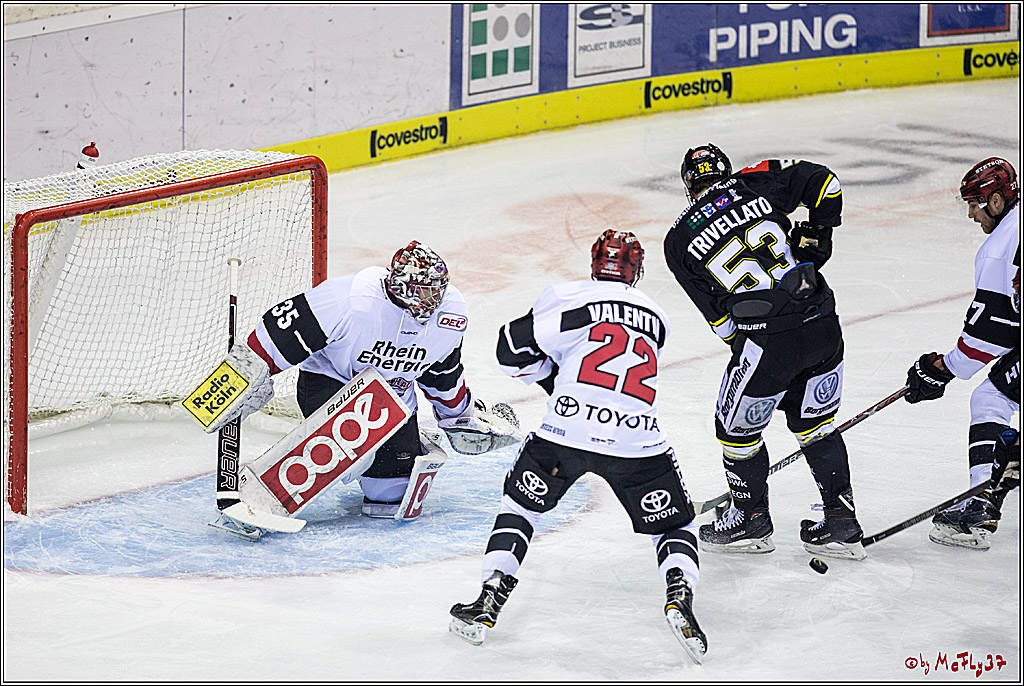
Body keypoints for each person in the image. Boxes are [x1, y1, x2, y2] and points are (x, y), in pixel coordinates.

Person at [448, 229, 707, 664]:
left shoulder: (564, 295)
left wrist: (556, 382)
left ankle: (488, 601)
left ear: (594, 263)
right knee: (674, 526)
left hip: (564, 433)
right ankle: (679, 597)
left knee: (520, 509)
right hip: (637, 441)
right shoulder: (658, 315)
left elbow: (509, 349)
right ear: (636, 269)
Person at [663, 143, 866, 561]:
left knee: (735, 430)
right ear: (726, 172)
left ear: (689, 187)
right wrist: (818, 234)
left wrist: (765, 361)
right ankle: (841, 521)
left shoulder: (678, 239)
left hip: (767, 339)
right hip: (822, 320)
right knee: (816, 425)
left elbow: (720, 319)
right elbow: (826, 182)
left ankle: (749, 518)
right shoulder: (754, 181)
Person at [212, 240, 511, 518]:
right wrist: (239, 378)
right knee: (355, 433)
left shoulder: (450, 315)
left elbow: (441, 372)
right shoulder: (351, 299)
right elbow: (281, 331)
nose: (434, 298)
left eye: (438, 289)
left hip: (394, 403)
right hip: (330, 384)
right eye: (424, 290)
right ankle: (340, 461)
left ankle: (394, 447)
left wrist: (458, 416)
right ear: (401, 285)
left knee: (391, 497)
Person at [904, 156, 1020, 550]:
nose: (971, 215)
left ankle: (979, 504)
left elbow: (986, 339)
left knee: (991, 397)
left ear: (996, 201)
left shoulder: (999, 249)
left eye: (975, 204)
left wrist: (940, 369)